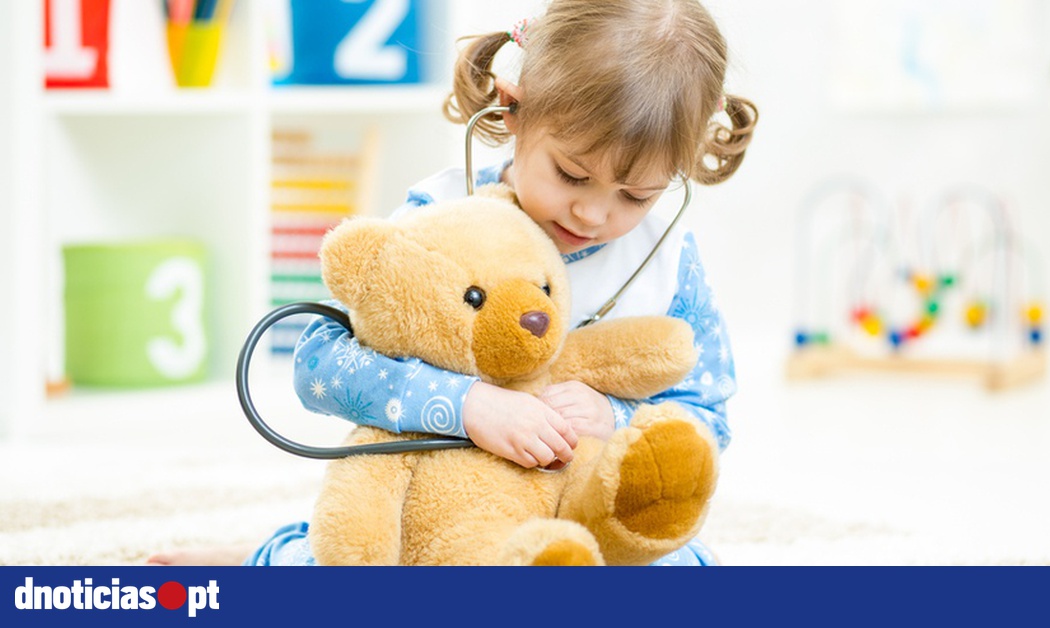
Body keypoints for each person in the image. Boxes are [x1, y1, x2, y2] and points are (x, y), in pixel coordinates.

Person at [149, 0, 756, 567]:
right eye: (572, 175)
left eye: (637, 194)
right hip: (443, 507)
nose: (593, 216)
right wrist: (466, 406)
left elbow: (706, 417)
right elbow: (318, 365)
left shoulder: (668, 261)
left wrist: (616, 418)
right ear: (512, 109)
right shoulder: (440, 216)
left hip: (581, 509)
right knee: (348, 574)